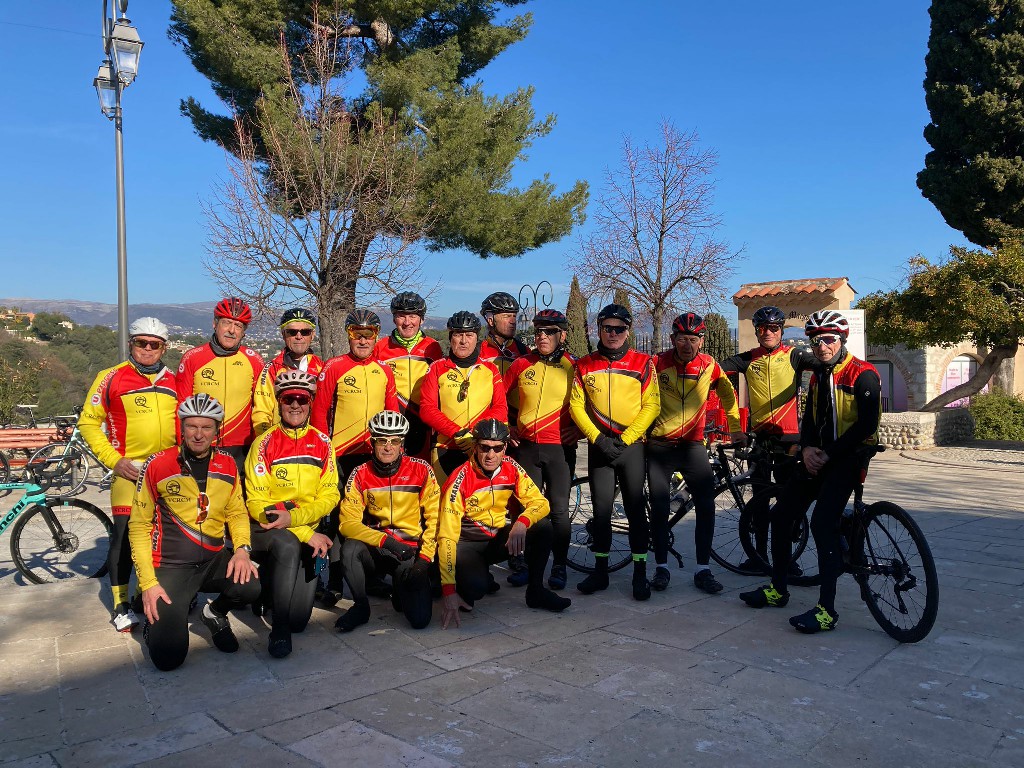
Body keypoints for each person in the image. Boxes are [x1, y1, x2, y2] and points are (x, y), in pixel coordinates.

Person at [740, 310, 882, 634]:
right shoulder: (818, 376)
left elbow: (866, 425)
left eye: (829, 339)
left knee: (821, 523)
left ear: (841, 339)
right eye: (816, 340)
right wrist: (806, 449)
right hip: (819, 456)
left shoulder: (863, 374)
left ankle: (826, 611)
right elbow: (809, 419)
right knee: (781, 515)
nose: (822, 346)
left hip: (850, 457)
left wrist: (827, 453)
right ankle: (778, 588)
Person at [128, 394, 260, 671]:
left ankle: (213, 614)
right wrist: (149, 584)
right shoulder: (158, 464)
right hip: (171, 566)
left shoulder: (226, 464)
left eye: (206, 427)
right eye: (192, 426)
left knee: (251, 586)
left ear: (217, 430)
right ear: (182, 427)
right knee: (168, 659)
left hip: (212, 559)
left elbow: (236, 513)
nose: (199, 435)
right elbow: (139, 526)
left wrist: (241, 550)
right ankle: (160, 619)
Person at [78, 317, 179, 633]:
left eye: (154, 344)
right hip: (130, 471)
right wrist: (113, 460)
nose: (147, 349)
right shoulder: (111, 378)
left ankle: (142, 593)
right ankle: (121, 603)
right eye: (141, 342)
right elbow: (88, 423)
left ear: (164, 347)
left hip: (165, 472)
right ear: (130, 343)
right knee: (123, 535)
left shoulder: (175, 380)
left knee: (163, 536)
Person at [436, 419, 571, 628]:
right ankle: (456, 579)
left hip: (495, 540)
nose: (491, 455)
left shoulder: (510, 467)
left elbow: (540, 503)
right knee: (476, 589)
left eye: (497, 448)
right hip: (466, 545)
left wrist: (522, 523)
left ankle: (536, 592)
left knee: (542, 527)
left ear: (505, 448)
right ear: (475, 447)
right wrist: (449, 591)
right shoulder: (459, 479)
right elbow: (446, 537)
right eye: (485, 448)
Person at [647, 312, 743, 595]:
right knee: (660, 506)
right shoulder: (656, 363)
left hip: (692, 445)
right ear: (672, 339)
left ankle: (703, 569)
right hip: (660, 445)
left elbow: (728, 393)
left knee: (706, 505)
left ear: (701, 340)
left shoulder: (710, 365)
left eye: (693, 339)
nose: (687, 345)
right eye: (681, 339)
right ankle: (661, 566)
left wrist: (735, 427)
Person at [569, 303, 660, 599]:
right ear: (599, 330)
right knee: (601, 513)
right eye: (607, 328)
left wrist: (628, 438)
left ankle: (640, 574)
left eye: (619, 329)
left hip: (631, 448)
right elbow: (575, 406)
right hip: (600, 448)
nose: (613, 334)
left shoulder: (644, 363)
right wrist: (598, 439)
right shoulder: (583, 365)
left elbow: (652, 405)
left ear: (628, 332)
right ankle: (600, 573)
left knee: (635, 512)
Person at [245, 370, 339, 658]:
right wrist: (305, 531)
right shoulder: (264, 444)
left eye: (301, 398)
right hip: (274, 531)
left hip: (307, 532)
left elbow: (330, 494)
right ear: (278, 402)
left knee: (302, 621)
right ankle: (278, 628)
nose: (295, 405)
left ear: (310, 402)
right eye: (288, 399)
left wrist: (302, 523)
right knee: (286, 546)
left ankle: (276, 598)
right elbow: (258, 503)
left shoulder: (323, 442)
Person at [310, 309, 399, 603]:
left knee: (372, 516)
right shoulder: (333, 366)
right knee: (337, 520)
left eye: (368, 335)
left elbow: (391, 413)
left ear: (377, 337)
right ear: (348, 335)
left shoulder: (384, 370)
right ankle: (334, 582)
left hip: (373, 455)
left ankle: (370, 577)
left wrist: (395, 449)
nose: (362, 340)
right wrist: (324, 452)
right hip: (341, 455)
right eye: (356, 334)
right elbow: (320, 411)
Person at [721, 305, 818, 571]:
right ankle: (758, 558)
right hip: (761, 441)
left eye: (773, 328)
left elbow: (825, 365)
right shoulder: (748, 358)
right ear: (756, 330)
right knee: (760, 504)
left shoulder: (794, 356)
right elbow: (715, 371)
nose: (768, 332)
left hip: (789, 441)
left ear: (781, 330)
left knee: (788, 504)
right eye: (762, 328)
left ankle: (786, 562)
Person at [335, 410, 441, 632]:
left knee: (419, 620)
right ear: (372, 442)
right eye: (382, 440)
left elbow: (435, 520)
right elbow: (347, 524)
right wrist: (387, 542)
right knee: (350, 549)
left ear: (402, 444)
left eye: (394, 441)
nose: (388, 447)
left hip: (410, 552)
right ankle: (361, 607)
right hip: (379, 548)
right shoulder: (360, 473)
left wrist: (424, 561)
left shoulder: (421, 470)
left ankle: (401, 588)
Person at [504, 309, 582, 590]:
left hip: (560, 449)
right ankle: (529, 565)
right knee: (531, 509)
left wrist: (582, 428)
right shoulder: (521, 363)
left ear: (562, 335)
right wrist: (506, 427)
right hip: (527, 448)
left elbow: (592, 402)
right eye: (538, 331)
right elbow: (497, 398)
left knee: (559, 510)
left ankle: (559, 566)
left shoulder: (574, 366)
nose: (542, 336)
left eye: (549, 332)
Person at [177, 297, 265, 476]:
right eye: (227, 323)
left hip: (241, 446)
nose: (232, 330)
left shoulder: (254, 360)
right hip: (200, 443)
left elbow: (262, 404)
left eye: (238, 326)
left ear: (244, 332)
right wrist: (180, 443)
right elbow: (180, 405)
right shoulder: (193, 358)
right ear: (215, 324)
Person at [419, 311, 508, 484]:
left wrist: (476, 434)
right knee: (444, 507)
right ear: (451, 337)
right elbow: (427, 409)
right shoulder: (437, 368)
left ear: (477, 338)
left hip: (482, 448)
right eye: (458, 335)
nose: (463, 341)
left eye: (469, 335)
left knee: (478, 507)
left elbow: (500, 408)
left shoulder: (490, 369)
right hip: (445, 448)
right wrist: (457, 433)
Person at [373, 292, 444, 459]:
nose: (407, 322)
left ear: (422, 319)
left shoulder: (433, 347)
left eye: (412, 316)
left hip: (424, 420)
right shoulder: (381, 347)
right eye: (401, 316)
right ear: (393, 319)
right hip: (392, 419)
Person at [252, 308, 325, 437]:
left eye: (305, 332)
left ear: (312, 335)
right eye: (292, 332)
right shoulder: (272, 369)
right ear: (283, 334)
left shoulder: (322, 368)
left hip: (313, 444)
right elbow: (262, 413)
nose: (299, 336)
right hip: (278, 442)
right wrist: (265, 443)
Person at [478, 291, 530, 380]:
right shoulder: (477, 352)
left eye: (514, 316)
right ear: (490, 320)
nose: (513, 321)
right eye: (507, 316)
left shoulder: (524, 352)